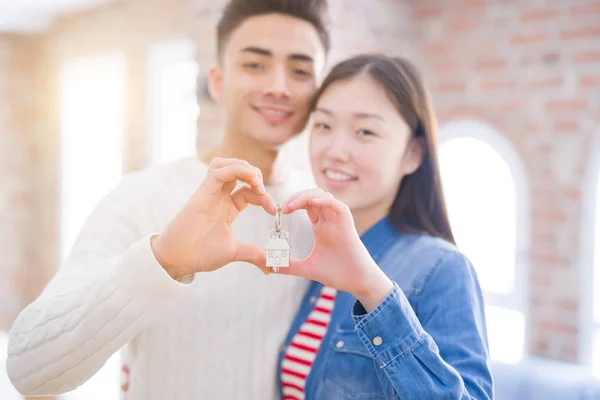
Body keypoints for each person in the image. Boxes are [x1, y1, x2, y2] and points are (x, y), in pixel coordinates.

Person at [6, 0, 329, 398]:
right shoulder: (142, 197)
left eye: (300, 70)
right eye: (254, 64)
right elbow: (28, 368)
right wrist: (163, 261)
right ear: (217, 81)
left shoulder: (324, 216)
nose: (278, 86)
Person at [276, 54, 494, 399]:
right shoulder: (311, 250)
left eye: (365, 131)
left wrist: (376, 296)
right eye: (323, 126)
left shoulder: (443, 269)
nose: (335, 151)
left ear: (413, 154)